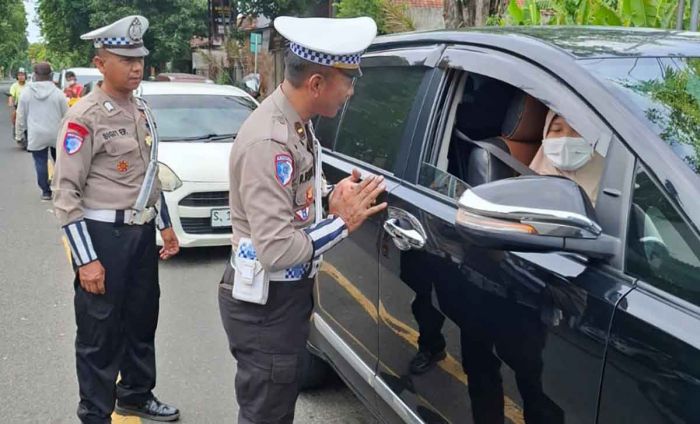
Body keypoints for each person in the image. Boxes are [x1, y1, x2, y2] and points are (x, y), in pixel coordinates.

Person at [219, 16, 386, 424]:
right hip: (268, 304)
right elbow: (277, 250)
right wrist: (341, 222)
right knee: (266, 415)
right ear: (315, 83)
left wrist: (331, 196)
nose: (351, 91)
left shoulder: (296, 123)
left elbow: (293, 199)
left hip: (282, 301)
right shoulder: (269, 141)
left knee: (273, 409)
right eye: (347, 80)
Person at [52, 15, 180, 424]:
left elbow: (148, 176)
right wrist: (86, 259)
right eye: (124, 58)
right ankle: (94, 413)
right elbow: (66, 194)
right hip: (102, 235)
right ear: (101, 62)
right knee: (99, 331)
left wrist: (163, 226)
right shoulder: (83, 116)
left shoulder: (140, 109)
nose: (136, 66)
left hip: (140, 234)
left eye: (139, 57)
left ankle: (136, 395)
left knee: (142, 319)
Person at [15, 62, 68, 200]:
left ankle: (46, 191)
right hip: (56, 132)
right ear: (51, 75)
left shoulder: (26, 93)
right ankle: (60, 187)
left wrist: (19, 134)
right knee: (60, 162)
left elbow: (20, 116)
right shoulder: (58, 93)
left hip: (36, 134)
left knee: (40, 162)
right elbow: (67, 115)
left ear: (34, 75)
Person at [529, 110, 604, 204]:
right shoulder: (526, 186)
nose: (566, 138)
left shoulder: (615, 188)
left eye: (578, 131)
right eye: (556, 129)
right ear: (545, 134)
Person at [8, 67, 27, 133]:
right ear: (17, 76)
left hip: (28, 106)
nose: (21, 77)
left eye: (22, 75)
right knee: (14, 116)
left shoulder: (29, 85)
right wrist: (10, 102)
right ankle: (15, 129)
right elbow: (11, 95)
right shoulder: (14, 86)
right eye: (19, 75)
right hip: (18, 106)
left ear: (25, 76)